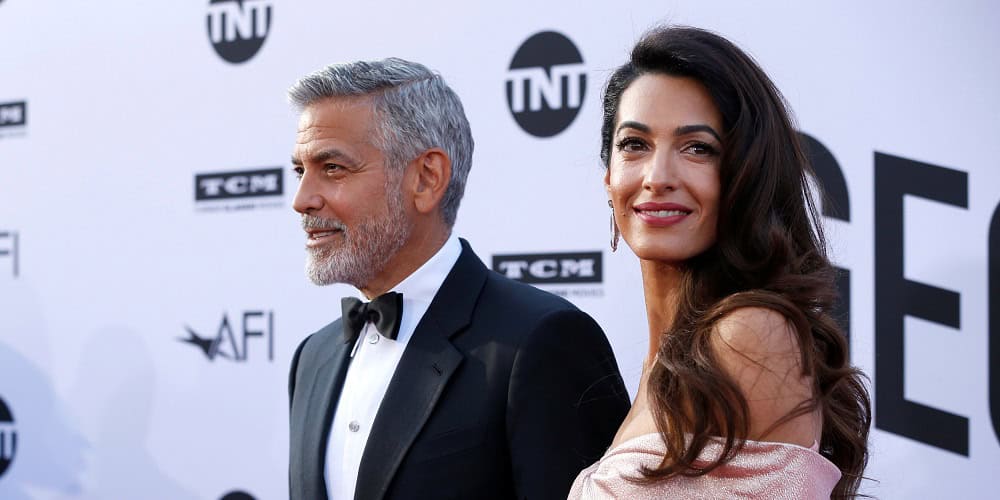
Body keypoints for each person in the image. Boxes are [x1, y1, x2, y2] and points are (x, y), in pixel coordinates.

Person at [285, 58, 630, 500]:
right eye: (300, 170)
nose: (302, 199)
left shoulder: (543, 341)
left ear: (427, 179)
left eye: (332, 167)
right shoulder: (312, 358)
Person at [570, 26, 872, 498]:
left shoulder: (747, 334)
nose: (658, 176)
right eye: (635, 144)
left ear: (745, 175)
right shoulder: (668, 359)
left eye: (697, 148)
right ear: (608, 175)